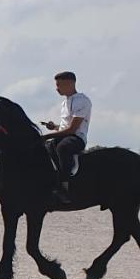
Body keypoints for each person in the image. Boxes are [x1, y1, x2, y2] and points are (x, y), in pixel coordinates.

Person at [41, 71, 91, 205]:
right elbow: (65, 127)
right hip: (65, 135)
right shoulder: (64, 103)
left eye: (59, 85)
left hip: (76, 138)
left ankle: (64, 187)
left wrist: (47, 136)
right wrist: (54, 127)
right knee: (46, 148)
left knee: (63, 147)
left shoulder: (82, 101)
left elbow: (72, 129)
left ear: (70, 83)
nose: (57, 89)